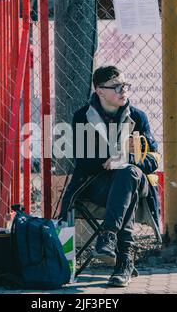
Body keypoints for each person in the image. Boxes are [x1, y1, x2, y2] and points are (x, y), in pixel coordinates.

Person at [59, 66, 160, 287]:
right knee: (126, 190)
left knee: (129, 172)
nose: (123, 90)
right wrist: (112, 160)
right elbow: (82, 161)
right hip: (98, 185)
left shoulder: (138, 117)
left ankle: (108, 236)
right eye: (116, 87)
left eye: (125, 85)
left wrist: (125, 160)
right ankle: (124, 260)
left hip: (136, 180)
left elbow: (154, 160)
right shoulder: (82, 117)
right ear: (99, 91)